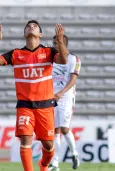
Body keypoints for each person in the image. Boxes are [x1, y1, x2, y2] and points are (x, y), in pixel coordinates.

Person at [0, 20, 68, 171]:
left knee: (49, 146)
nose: (31, 27)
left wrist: (60, 41)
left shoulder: (49, 52)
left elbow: (63, 60)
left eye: (35, 26)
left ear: (40, 34)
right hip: (25, 106)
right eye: (28, 26)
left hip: (45, 106)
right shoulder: (16, 54)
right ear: (24, 34)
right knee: (25, 140)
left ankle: (43, 165)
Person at [48, 35, 81, 171]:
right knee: (54, 131)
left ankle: (74, 153)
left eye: (57, 43)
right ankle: (55, 163)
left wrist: (61, 93)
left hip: (66, 98)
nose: (54, 45)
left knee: (64, 129)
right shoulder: (51, 59)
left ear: (63, 43)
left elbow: (73, 79)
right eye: (53, 43)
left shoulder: (74, 59)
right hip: (51, 97)